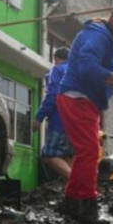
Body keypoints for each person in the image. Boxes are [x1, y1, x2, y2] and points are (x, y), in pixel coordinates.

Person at [56, 3, 113, 224]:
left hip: (86, 101)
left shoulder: (110, 41)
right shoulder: (98, 35)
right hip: (77, 97)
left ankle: (71, 202)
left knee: (85, 154)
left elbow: (106, 76)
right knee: (89, 152)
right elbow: (88, 69)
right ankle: (87, 207)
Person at [32, 47, 73, 180]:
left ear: (55, 59)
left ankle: (78, 182)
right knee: (68, 157)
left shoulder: (57, 70)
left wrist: (39, 117)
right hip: (77, 122)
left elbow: (53, 95)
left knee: (49, 155)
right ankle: (75, 193)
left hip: (59, 121)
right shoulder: (77, 72)